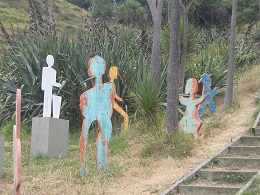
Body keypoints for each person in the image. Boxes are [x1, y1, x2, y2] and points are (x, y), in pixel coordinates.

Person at [77, 56, 114, 175]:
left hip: (103, 112)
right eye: (95, 65)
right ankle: (84, 166)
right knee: (86, 133)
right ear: (90, 71)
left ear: (103, 69)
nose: (98, 68)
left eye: (100, 65)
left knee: (105, 135)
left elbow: (110, 105)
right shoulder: (86, 96)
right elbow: (85, 132)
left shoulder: (109, 88)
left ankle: (102, 164)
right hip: (93, 105)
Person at [108, 66, 129, 132]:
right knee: (125, 116)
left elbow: (114, 95)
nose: (116, 74)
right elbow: (114, 95)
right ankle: (125, 132)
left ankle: (125, 131)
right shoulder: (111, 84)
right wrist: (120, 99)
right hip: (111, 103)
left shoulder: (111, 84)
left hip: (111, 103)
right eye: (115, 72)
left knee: (125, 116)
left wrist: (120, 99)